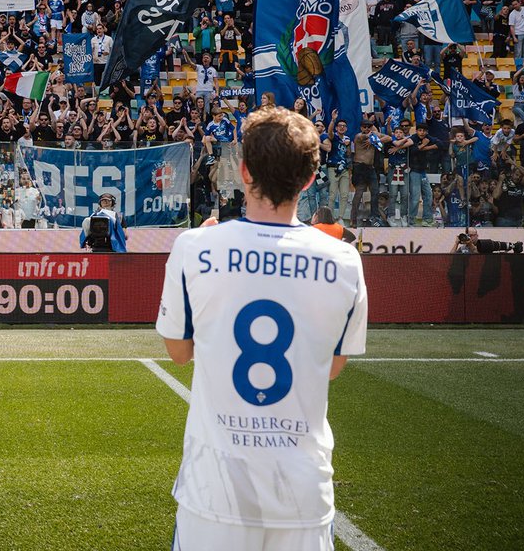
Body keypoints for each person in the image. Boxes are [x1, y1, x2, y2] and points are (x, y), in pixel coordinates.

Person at [156, 107, 367, 551]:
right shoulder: (345, 260)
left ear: (244, 171)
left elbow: (178, 351)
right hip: (302, 490)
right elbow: (330, 367)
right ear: (309, 179)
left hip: (213, 488)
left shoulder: (195, 247)